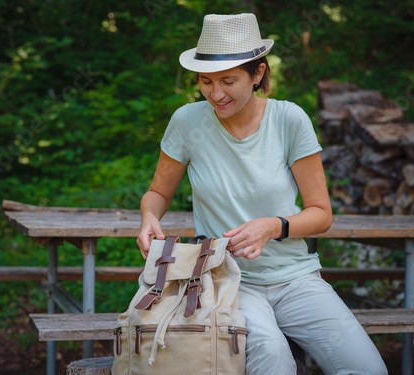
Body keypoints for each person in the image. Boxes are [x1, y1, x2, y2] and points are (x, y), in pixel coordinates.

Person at [136, 13, 388, 375]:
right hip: (228, 279)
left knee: (368, 369)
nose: (216, 94)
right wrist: (149, 217)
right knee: (272, 359)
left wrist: (273, 226)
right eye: (205, 81)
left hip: (296, 278)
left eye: (228, 80)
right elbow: (157, 193)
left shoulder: (289, 119)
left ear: (258, 74)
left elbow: (321, 214)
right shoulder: (187, 122)